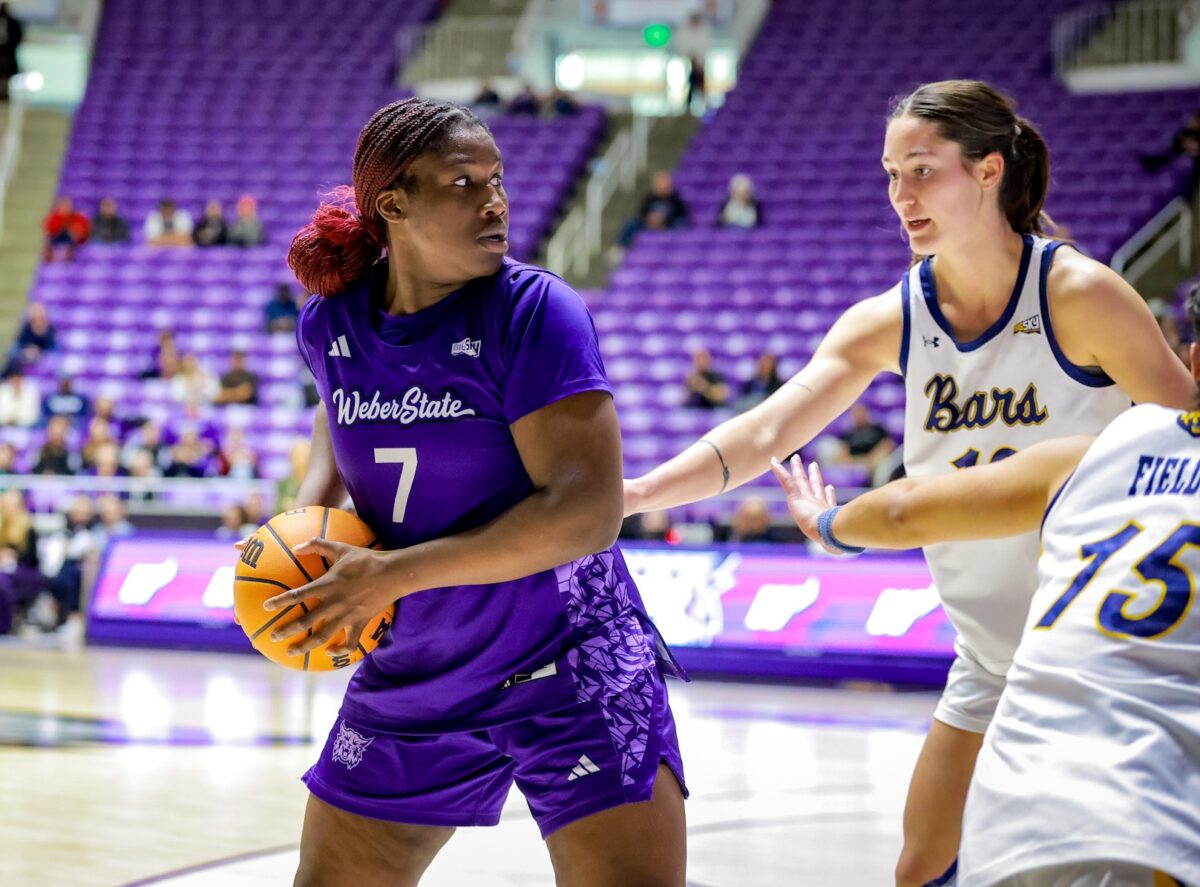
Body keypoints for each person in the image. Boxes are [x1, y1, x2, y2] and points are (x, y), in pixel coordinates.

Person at [621, 80, 1196, 887]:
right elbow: (765, 431)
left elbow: (1188, 447)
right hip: (988, 653)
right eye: (891, 175)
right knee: (921, 864)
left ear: (989, 170)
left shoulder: (1080, 295)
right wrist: (640, 492)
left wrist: (838, 525)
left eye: (922, 171)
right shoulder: (891, 316)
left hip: (1098, 650)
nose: (901, 195)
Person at [255, 96, 687, 886]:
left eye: (498, 180)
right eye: (464, 183)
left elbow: (588, 515)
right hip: (417, 669)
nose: (495, 202)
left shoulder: (537, 313)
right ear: (394, 204)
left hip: (571, 666)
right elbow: (332, 461)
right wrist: (298, 554)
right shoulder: (330, 324)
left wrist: (388, 574)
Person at [769, 288, 1200, 887]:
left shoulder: (1107, 442)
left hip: (1023, 776)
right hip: (1132, 786)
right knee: (919, 865)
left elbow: (905, 509)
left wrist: (825, 523)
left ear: (1192, 365)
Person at [618, 170, 690, 248]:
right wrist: (649, 219)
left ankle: (676, 247)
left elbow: (681, 213)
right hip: (649, 223)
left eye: (664, 182)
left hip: (669, 224)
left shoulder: (675, 198)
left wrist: (664, 220)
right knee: (632, 222)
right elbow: (642, 212)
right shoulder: (649, 198)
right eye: (660, 183)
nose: (662, 186)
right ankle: (623, 247)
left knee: (680, 224)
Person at [8, 301, 56, 372]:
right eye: (35, 318)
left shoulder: (49, 329)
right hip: (27, 353)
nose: (37, 320)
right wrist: (29, 348)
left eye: (39, 317)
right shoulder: (27, 328)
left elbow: (51, 346)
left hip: (43, 355)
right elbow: (21, 342)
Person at [41, 196, 91, 262]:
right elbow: (48, 231)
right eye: (63, 206)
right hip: (56, 242)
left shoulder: (79, 218)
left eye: (67, 205)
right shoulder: (54, 217)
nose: (65, 208)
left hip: (73, 244)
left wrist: (75, 232)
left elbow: (84, 235)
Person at [0, 3, 23, 102]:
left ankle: (4, 93)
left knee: (6, 74)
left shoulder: (13, 22)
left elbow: (18, 36)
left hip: (7, 52)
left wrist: (10, 44)